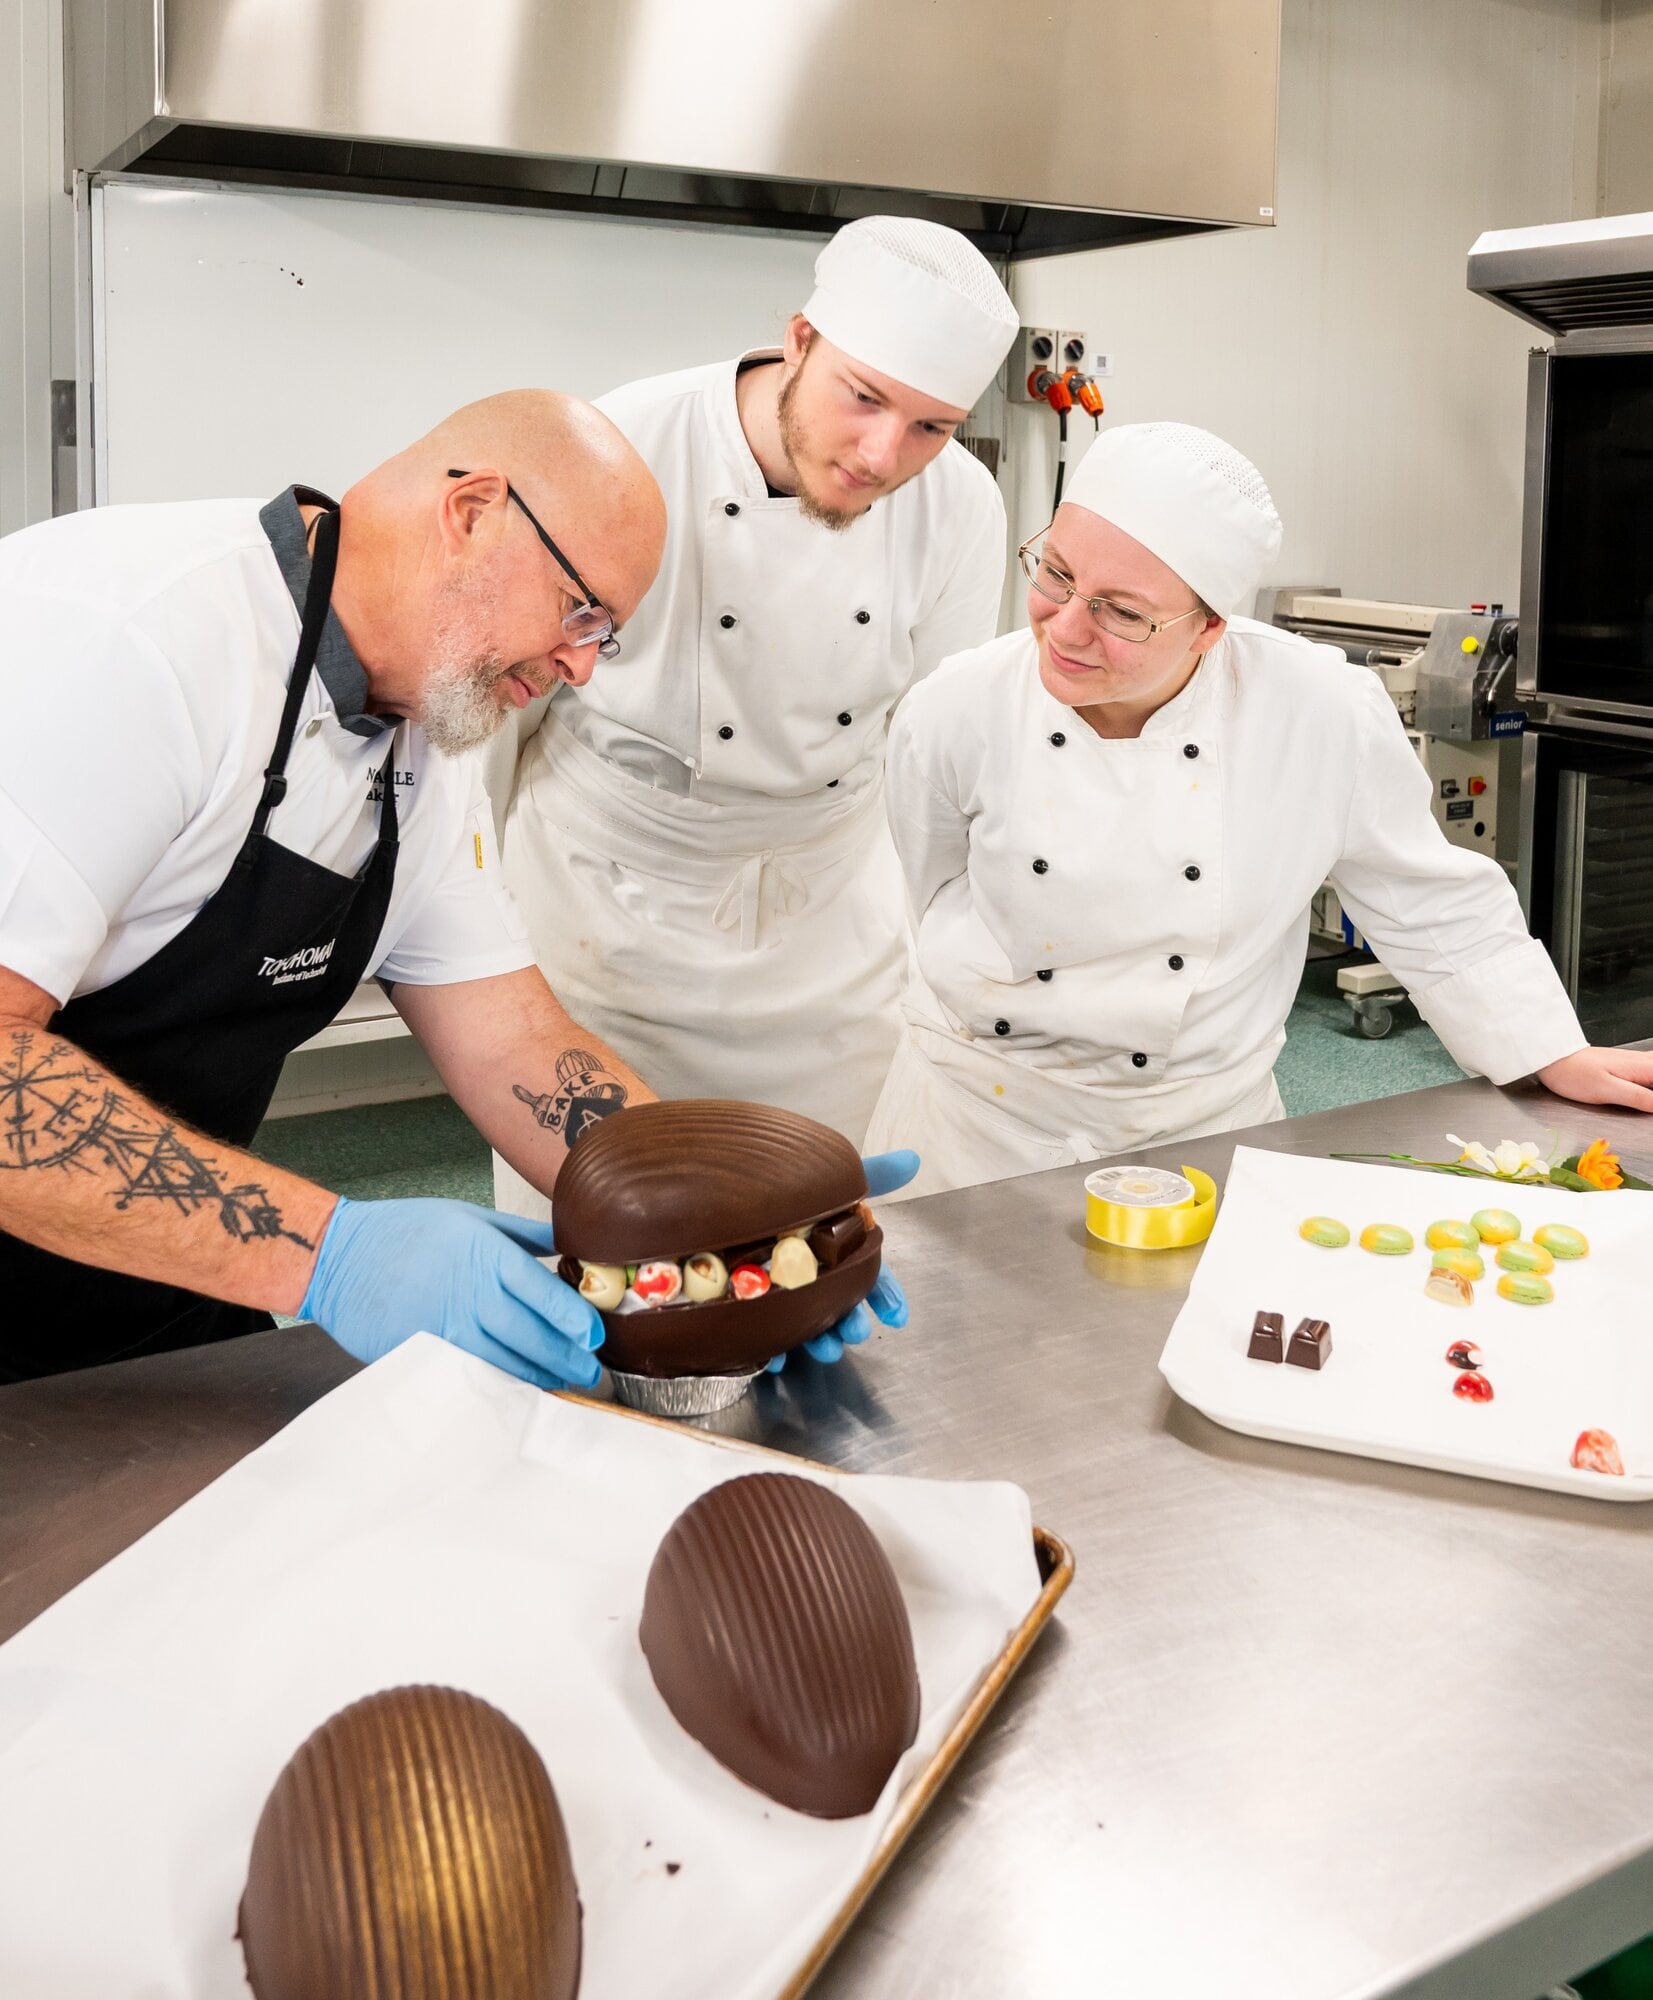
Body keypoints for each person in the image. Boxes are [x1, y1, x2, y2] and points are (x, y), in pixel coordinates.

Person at [0, 391, 673, 1385]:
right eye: (581, 611)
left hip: (156, 1281)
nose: (580, 664)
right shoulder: (129, 640)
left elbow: (514, 1041)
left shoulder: (428, 738)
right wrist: (331, 1253)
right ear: (474, 510)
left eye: (604, 636)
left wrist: (709, 1209)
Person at [865, 421, 1653, 1195]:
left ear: (1210, 629)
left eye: (1122, 611)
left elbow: (1427, 901)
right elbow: (928, 887)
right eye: (1055, 575)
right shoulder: (956, 707)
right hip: (974, 1124)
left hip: (1199, 1127)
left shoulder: (1318, 710)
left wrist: (1547, 1048)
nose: (1065, 627)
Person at [491, 216, 1019, 1223]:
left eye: (930, 426)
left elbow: (932, 744)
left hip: (825, 923)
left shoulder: (961, 507)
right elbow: (504, 709)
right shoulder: (624, 444)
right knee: (593, 1239)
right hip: (608, 905)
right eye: (863, 397)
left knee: (809, 1220)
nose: (881, 454)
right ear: (799, 340)